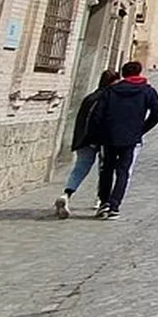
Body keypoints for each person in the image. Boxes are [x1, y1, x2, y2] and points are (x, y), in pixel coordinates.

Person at [89, 61, 158, 220]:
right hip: (131, 138)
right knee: (123, 172)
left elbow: (97, 115)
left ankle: (104, 203)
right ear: (139, 73)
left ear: (123, 74)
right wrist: (142, 129)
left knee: (106, 170)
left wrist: (99, 133)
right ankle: (115, 205)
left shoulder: (111, 90)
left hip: (109, 137)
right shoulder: (147, 91)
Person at [55, 69, 119, 219]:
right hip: (99, 140)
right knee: (105, 170)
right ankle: (101, 200)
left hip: (83, 139)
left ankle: (67, 194)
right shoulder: (108, 98)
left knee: (80, 167)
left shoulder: (90, 97)